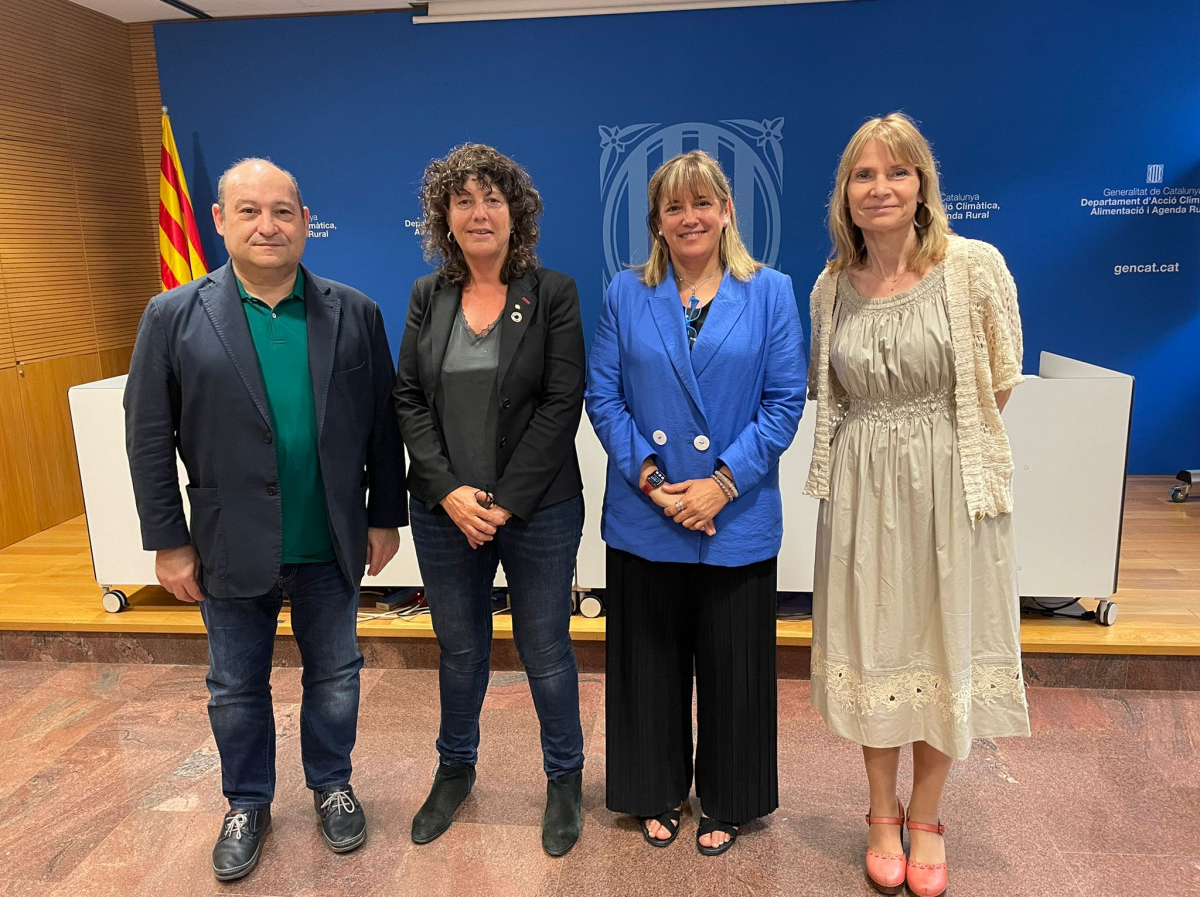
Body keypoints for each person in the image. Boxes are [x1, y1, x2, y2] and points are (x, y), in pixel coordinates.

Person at [125, 158, 407, 882]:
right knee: (234, 686)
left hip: (330, 539)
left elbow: (383, 427)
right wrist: (168, 541)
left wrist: (384, 517)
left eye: (283, 211)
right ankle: (246, 802)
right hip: (227, 542)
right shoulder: (172, 316)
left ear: (306, 222)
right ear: (220, 220)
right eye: (249, 211)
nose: (268, 225)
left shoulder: (356, 312)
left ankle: (332, 784)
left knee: (336, 675)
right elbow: (149, 437)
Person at [805, 113, 1030, 897]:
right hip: (862, 494)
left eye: (896, 172)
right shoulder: (830, 287)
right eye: (863, 175)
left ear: (923, 184)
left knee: (942, 644)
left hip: (950, 486)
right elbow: (829, 395)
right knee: (875, 648)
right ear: (845, 194)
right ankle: (880, 810)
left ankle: (927, 815)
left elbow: (1000, 379)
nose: (880, 188)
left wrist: (931, 449)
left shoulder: (974, 267)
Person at [586, 150, 806, 856]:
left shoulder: (770, 291)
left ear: (727, 211)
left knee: (735, 669)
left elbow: (784, 402)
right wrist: (653, 482)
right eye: (674, 206)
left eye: (703, 202)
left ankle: (730, 798)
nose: (690, 218)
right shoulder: (626, 293)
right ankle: (652, 789)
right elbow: (604, 397)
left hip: (733, 514)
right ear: (656, 220)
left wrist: (721, 484)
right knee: (647, 664)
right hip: (646, 512)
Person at [394, 143, 587, 857]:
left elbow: (562, 402)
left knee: (545, 648)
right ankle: (454, 771)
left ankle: (564, 779)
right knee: (460, 648)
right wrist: (449, 491)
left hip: (538, 510)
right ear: (444, 216)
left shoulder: (553, 292)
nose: (479, 213)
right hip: (444, 513)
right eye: (464, 200)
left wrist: (503, 502)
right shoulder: (428, 295)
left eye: (493, 199)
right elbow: (408, 399)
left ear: (516, 213)